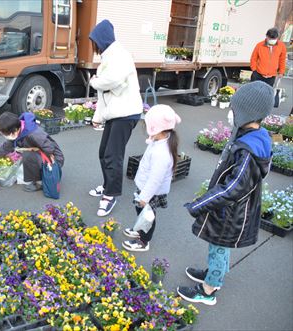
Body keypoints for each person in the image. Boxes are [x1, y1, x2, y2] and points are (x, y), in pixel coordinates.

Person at [177, 81, 274, 306]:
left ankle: (209, 289)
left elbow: (232, 189)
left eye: (234, 109)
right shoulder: (252, 136)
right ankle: (214, 274)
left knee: (219, 246)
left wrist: (199, 204)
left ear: (246, 113)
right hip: (233, 210)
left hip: (232, 213)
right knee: (219, 246)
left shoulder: (248, 150)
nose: (230, 113)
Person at [87, 19, 143, 217]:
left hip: (126, 114)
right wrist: (98, 117)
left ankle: (111, 195)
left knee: (113, 154)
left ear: (100, 40)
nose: (92, 45)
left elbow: (110, 81)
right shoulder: (108, 57)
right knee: (104, 152)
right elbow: (106, 94)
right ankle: (107, 185)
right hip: (116, 113)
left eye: (93, 40)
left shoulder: (120, 55)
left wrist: (95, 81)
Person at [122, 105, 181, 252]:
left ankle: (143, 241)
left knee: (148, 216)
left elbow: (155, 179)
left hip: (150, 191)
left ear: (156, 128)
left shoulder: (161, 153)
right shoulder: (160, 140)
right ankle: (139, 230)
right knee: (141, 213)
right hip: (146, 188)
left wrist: (145, 197)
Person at [0, 112, 64, 192]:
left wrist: (49, 165)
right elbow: (5, 147)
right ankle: (39, 172)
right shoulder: (18, 131)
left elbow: (49, 148)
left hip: (54, 158)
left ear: (16, 130)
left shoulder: (33, 134)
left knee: (28, 156)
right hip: (42, 154)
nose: (6, 136)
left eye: (6, 134)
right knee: (26, 154)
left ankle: (39, 182)